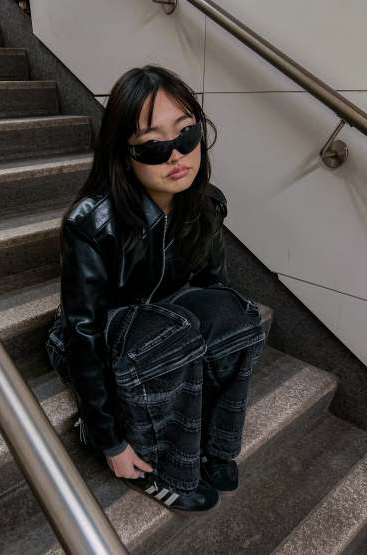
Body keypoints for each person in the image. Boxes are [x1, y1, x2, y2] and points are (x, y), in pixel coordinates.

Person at [52, 64, 267, 514]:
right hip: (98, 340)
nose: (176, 155)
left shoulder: (206, 204)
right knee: (174, 332)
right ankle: (166, 469)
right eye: (153, 145)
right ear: (123, 153)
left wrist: (213, 355)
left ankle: (214, 444)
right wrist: (110, 439)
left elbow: (213, 291)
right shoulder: (91, 223)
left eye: (187, 135)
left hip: (165, 328)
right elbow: (82, 334)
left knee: (236, 314)